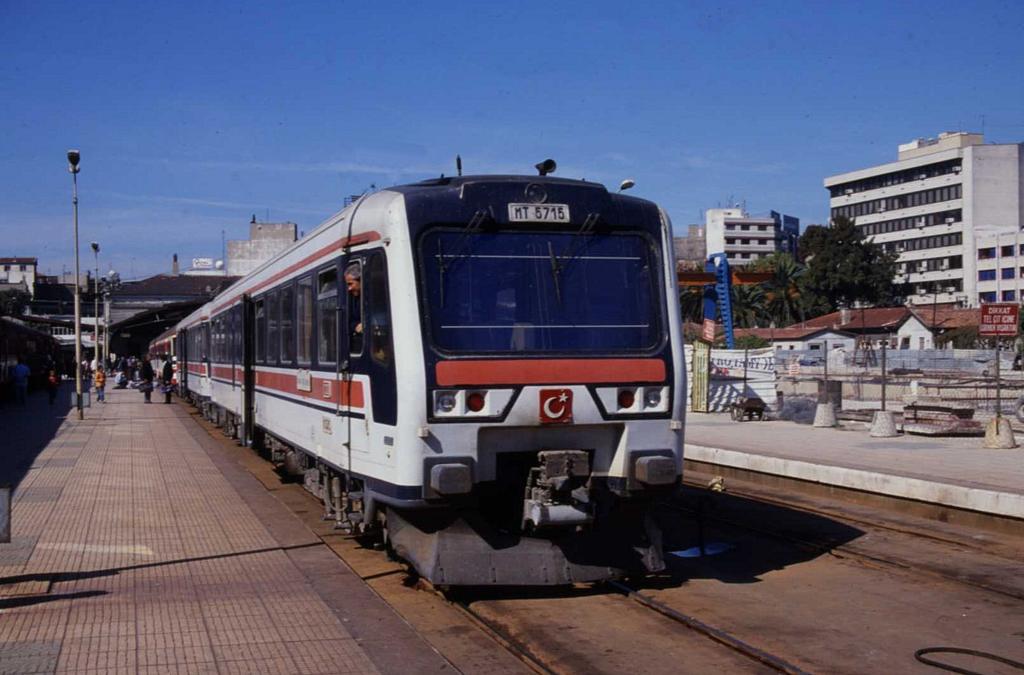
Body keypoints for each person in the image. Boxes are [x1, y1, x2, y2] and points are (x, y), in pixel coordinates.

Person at [344, 262, 364, 353]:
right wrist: (356, 326)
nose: (349, 288)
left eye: (351, 284)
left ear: (360, 280)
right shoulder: (351, 299)